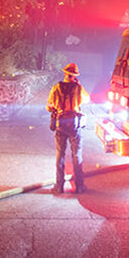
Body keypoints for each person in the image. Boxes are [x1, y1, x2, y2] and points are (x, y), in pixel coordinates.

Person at [46, 62, 87, 194]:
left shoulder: (56, 88)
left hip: (60, 124)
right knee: (77, 155)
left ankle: (59, 186)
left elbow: (49, 106)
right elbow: (87, 100)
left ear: (64, 74)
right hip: (74, 125)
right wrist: (79, 85)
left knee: (60, 155)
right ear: (75, 76)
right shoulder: (78, 88)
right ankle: (79, 186)